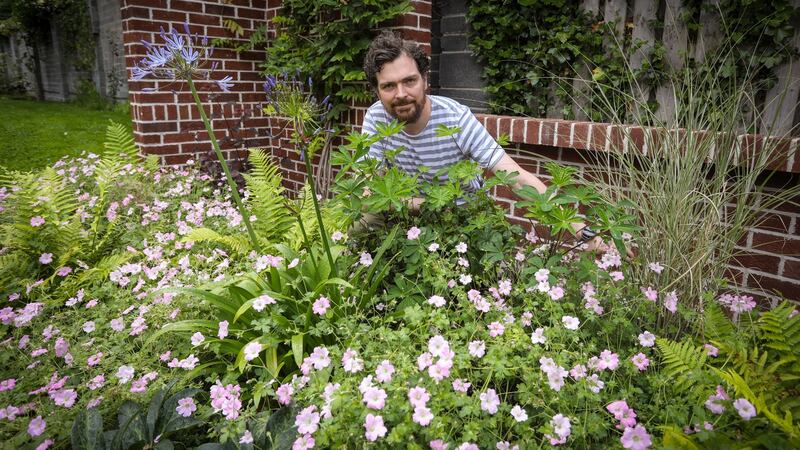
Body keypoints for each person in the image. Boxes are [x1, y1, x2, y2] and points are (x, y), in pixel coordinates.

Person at [360, 30, 601, 249]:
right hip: (407, 212)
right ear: (376, 90)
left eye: (409, 81)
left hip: (459, 216)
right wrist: (423, 204)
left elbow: (515, 177)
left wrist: (576, 227)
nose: (401, 94)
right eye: (389, 86)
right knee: (361, 221)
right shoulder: (376, 117)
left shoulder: (456, 119)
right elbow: (371, 192)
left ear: (424, 79)